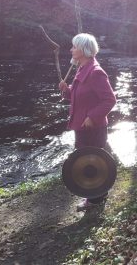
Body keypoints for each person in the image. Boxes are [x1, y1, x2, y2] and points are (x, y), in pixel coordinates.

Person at [59, 33, 116, 211]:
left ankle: (95, 202)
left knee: (93, 164)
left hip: (93, 128)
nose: (71, 49)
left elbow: (110, 100)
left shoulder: (96, 72)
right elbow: (81, 97)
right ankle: (95, 199)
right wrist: (67, 90)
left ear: (83, 49)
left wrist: (92, 117)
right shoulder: (83, 68)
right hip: (82, 127)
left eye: (74, 46)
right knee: (88, 162)